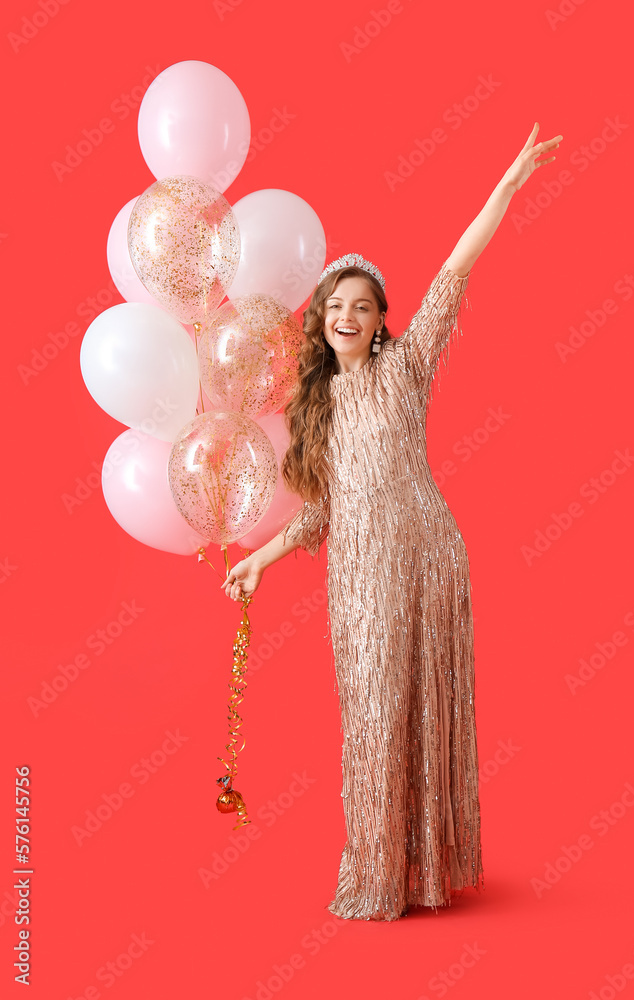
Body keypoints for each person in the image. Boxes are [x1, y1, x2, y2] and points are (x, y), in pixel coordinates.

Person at [223, 123, 563, 921]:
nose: (347, 315)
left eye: (362, 305)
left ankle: (425, 871)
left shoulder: (406, 370)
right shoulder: (316, 408)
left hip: (428, 557)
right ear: (322, 320)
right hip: (359, 579)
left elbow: (453, 270)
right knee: (372, 711)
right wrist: (260, 559)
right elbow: (322, 513)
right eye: (334, 305)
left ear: (381, 318)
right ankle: (376, 874)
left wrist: (505, 188)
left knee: (418, 707)